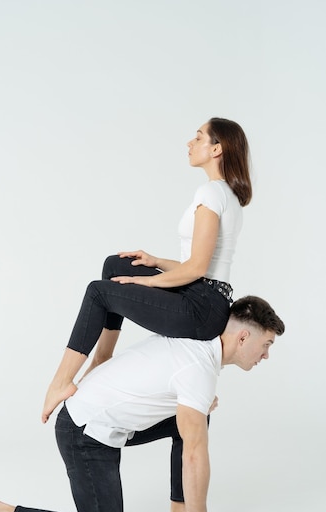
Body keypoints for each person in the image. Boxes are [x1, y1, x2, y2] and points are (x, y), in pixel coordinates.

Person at [0, 296, 285, 512]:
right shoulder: (199, 371)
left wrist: (196, 406)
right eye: (266, 345)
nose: (266, 356)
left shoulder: (197, 342)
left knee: (196, 419)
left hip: (103, 418)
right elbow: (193, 454)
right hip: (83, 432)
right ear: (243, 337)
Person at [42, 117, 252, 421]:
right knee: (116, 265)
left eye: (198, 138)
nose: (189, 144)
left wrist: (146, 283)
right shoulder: (225, 195)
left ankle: (60, 382)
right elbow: (204, 267)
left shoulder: (210, 195)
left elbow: (196, 269)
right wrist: (155, 262)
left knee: (98, 292)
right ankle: (102, 357)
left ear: (216, 149)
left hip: (201, 309)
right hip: (205, 297)